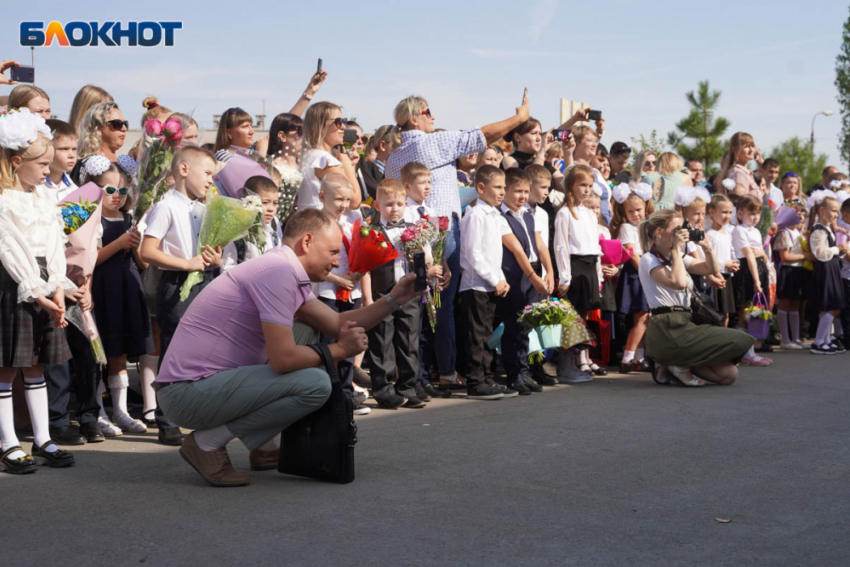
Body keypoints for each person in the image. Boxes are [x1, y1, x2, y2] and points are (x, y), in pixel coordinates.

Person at [154, 207, 424, 487]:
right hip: (186, 394)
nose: (337, 261)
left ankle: (265, 447)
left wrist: (395, 299)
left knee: (306, 332)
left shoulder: (282, 267)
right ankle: (206, 444)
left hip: (193, 388)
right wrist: (342, 351)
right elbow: (284, 359)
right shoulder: (278, 272)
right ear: (307, 242)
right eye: (333, 252)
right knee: (315, 384)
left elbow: (337, 324)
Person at [385, 93, 531, 389]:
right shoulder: (432, 142)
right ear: (413, 117)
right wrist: (519, 118)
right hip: (439, 231)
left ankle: (419, 374)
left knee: (417, 304)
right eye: (428, 111)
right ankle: (447, 372)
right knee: (442, 305)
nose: (433, 117)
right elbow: (483, 135)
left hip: (408, 232)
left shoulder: (393, 158)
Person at [0, 109, 77, 473]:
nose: (48, 172)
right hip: (15, 282)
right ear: (17, 162)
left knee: (38, 364)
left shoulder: (43, 198)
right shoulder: (4, 200)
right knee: (8, 366)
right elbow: (10, 249)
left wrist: (58, 285)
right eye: (42, 164)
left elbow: (55, 242)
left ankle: (43, 437)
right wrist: (37, 291)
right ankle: (8, 442)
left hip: (45, 280)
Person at [140, 146, 222, 445]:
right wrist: (186, 263)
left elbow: (211, 248)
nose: (211, 181)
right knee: (175, 352)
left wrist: (216, 259)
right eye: (208, 173)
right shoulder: (166, 206)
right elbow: (147, 251)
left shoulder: (202, 207)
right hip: (176, 284)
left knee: (203, 352)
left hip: (205, 281)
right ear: (184, 170)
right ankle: (166, 418)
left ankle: (196, 411)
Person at [638, 209, 754, 386]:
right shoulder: (648, 259)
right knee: (742, 338)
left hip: (687, 322)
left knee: (729, 375)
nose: (683, 233)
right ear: (659, 232)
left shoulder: (676, 258)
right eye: (677, 229)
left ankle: (674, 364)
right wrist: (676, 249)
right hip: (667, 326)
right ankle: (673, 363)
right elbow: (677, 282)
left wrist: (707, 248)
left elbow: (711, 269)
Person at [91, 158, 153, 434]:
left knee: (121, 353)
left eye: (122, 191)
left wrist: (137, 243)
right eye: (109, 190)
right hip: (102, 288)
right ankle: (98, 411)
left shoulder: (129, 219)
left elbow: (143, 264)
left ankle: (121, 411)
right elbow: (90, 259)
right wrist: (119, 243)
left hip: (127, 287)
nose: (116, 196)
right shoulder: (92, 219)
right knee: (100, 352)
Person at [315, 173, 372, 414]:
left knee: (350, 342)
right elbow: (311, 264)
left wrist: (360, 280)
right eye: (338, 199)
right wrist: (338, 279)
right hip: (327, 293)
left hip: (352, 293)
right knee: (329, 345)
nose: (344, 205)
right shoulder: (317, 226)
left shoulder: (351, 225)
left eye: (347, 200)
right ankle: (328, 395)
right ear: (322, 196)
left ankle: (346, 392)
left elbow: (362, 260)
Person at [457, 165, 516, 400]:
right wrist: (494, 279)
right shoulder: (475, 214)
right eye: (498, 187)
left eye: (504, 187)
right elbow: (472, 254)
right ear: (481, 187)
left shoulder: (495, 214)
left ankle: (487, 378)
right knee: (476, 335)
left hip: (491, 284)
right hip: (476, 285)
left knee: (487, 335)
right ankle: (475, 381)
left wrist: (500, 279)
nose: (502, 192)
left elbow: (494, 255)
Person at [365, 179, 424, 409]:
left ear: (406, 203)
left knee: (409, 338)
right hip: (382, 291)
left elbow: (425, 256)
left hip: (408, 291)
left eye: (399, 203)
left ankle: (408, 386)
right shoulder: (370, 229)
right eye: (389, 204)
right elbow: (364, 266)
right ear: (377, 205)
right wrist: (368, 298)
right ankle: (383, 389)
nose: (395, 208)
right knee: (382, 340)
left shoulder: (414, 227)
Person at [498, 168, 553, 395]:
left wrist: (549, 271)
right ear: (505, 191)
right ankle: (513, 376)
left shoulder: (528, 215)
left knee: (526, 327)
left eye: (525, 191)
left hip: (533, 273)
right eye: (517, 191)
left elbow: (539, 244)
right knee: (514, 326)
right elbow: (517, 250)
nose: (522, 196)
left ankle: (523, 371)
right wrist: (533, 276)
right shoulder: (500, 216)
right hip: (514, 276)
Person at [400, 162, 452, 400]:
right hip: (417, 277)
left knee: (429, 329)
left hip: (433, 278)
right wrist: (423, 270)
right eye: (422, 183)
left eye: (430, 182)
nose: (428, 187)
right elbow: (411, 247)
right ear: (407, 186)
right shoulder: (406, 212)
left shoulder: (429, 211)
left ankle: (425, 378)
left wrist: (444, 266)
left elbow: (435, 243)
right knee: (416, 331)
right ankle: (415, 379)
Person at [554, 164, 602, 381]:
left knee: (582, 318)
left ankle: (578, 361)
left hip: (590, 267)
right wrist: (565, 276)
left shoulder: (590, 214)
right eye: (582, 184)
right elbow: (561, 246)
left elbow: (596, 247)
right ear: (570, 186)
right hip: (575, 267)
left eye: (590, 185)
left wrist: (599, 276)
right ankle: (566, 365)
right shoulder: (565, 213)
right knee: (570, 318)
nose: (586, 189)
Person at [610, 182, 655, 373]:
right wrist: (647, 271)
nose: (636, 214)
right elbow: (631, 253)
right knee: (642, 316)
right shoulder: (627, 228)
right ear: (624, 212)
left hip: (646, 272)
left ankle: (640, 356)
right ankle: (627, 357)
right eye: (631, 211)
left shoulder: (647, 226)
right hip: (637, 274)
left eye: (639, 210)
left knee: (645, 317)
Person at [732, 194, 772, 365]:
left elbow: (760, 253)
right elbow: (748, 254)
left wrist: (763, 256)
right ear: (740, 213)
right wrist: (756, 280)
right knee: (744, 312)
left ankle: (751, 351)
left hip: (758, 270)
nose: (755, 217)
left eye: (758, 213)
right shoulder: (739, 230)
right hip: (748, 273)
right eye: (751, 213)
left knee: (753, 311)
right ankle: (746, 353)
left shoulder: (755, 231)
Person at [297, 101, 361, 210]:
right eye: (338, 122)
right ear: (319, 125)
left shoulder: (309, 156)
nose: (343, 127)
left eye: (344, 121)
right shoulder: (324, 160)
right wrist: (348, 164)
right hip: (322, 223)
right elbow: (354, 201)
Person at [808, 194, 848, 354]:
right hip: (825, 268)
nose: (836, 215)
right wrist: (838, 249)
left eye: (837, 212)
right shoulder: (819, 230)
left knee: (831, 307)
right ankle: (818, 342)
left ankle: (826, 340)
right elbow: (819, 253)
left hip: (831, 267)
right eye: (833, 211)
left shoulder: (828, 228)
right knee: (831, 306)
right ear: (821, 210)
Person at [221, 176, 285, 271]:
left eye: (275, 203)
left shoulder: (273, 228)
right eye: (265, 202)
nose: (271, 209)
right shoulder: (238, 232)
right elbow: (227, 268)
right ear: (250, 201)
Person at [774, 202, 811, 349]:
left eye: (802, 213)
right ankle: (785, 339)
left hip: (799, 271)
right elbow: (785, 257)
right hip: (788, 271)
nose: (800, 216)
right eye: (797, 213)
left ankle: (796, 338)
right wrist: (805, 256)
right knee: (785, 303)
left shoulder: (801, 234)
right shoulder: (785, 233)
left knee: (795, 305)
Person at [72, 101, 127, 184]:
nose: (124, 128)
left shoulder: (124, 165)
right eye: (117, 124)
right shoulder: (89, 165)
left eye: (125, 124)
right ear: (97, 127)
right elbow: (79, 196)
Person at [706, 194, 740, 327]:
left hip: (726, 277)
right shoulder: (710, 234)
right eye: (724, 212)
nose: (727, 216)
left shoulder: (728, 234)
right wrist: (724, 264)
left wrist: (734, 263)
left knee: (725, 313)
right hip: (714, 276)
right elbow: (708, 257)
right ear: (712, 212)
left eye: (730, 212)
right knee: (715, 313)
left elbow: (731, 253)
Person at [36, 119, 78, 204]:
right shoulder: (34, 187)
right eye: (64, 149)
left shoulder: (74, 189)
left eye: (74, 149)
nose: (71, 155)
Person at [359, 124, 396, 200]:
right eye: (395, 145)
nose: (401, 148)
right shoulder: (368, 172)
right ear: (383, 145)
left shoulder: (395, 172)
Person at [726, 133, 761, 197]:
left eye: (752, 146)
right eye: (746, 146)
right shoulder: (738, 173)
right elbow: (740, 202)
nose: (751, 150)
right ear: (734, 150)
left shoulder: (747, 173)